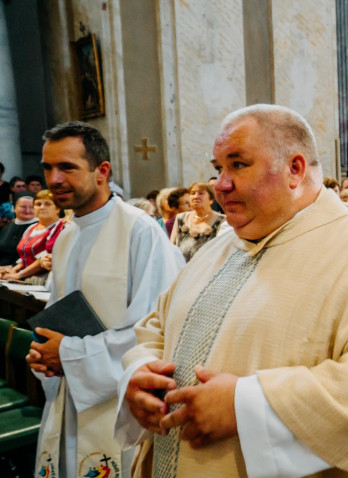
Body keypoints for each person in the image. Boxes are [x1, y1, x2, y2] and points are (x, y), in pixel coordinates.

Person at [116, 104, 348, 476]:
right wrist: (140, 373)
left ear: (294, 169)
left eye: (238, 165)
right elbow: (158, 324)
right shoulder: (217, 250)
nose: (220, 184)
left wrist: (246, 406)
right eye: (218, 168)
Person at [27, 121, 184, 478]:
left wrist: (67, 353)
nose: (54, 179)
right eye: (48, 168)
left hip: (119, 410)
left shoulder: (140, 231)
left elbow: (158, 331)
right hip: (70, 396)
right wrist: (44, 352)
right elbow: (57, 316)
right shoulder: (67, 235)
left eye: (67, 167)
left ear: (102, 171)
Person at [0, 190, 64, 284]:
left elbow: (44, 259)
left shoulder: (60, 227)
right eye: (38, 204)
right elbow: (25, 258)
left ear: (57, 208)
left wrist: (19, 275)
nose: (42, 207)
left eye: (47, 204)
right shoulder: (32, 228)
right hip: (26, 276)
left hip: (44, 279)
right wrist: (12, 271)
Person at [170, 181, 228, 262]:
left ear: (211, 199)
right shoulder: (181, 218)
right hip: (183, 267)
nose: (196, 196)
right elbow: (172, 247)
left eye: (201, 193)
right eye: (193, 193)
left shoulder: (222, 220)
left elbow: (223, 252)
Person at [0, 194, 37, 266]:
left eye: (32, 207)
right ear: (14, 208)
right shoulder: (6, 227)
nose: (27, 210)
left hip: (22, 268)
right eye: (23, 207)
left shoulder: (39, 227)